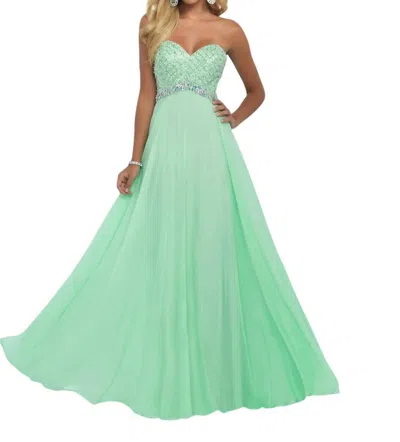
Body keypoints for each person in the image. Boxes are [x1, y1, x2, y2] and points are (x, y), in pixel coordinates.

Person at [0, 0, 339, 420]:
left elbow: (258, 92)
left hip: (212, 152)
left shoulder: (230, 30)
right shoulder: (152, 23)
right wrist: (135, 159)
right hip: (163, 151)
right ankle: (163, 365)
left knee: (211, 251)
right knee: (157, 249)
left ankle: (213, 370)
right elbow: (146, 95)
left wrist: (234, 117)